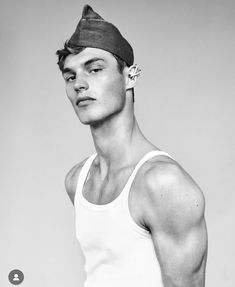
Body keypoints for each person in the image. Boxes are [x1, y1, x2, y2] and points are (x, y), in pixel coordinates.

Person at [56, 4, 208, 287]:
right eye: (70, 76)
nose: (79, 84)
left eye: (95, 69)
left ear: (130, 76)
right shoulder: (77, 180)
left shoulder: (163, 183)